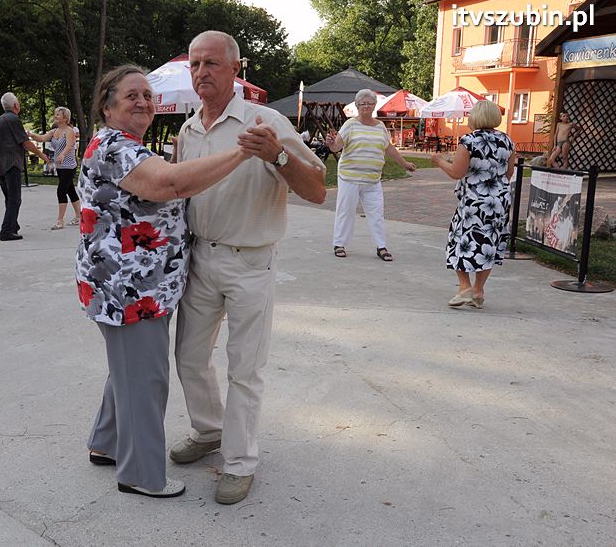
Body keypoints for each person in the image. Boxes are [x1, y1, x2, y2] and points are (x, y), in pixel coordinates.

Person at [77, 64, 263, 499]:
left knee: (127, 371)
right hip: (129, 291)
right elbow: (170, 184)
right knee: (145, 378)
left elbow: (160, 178)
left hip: (130, 288)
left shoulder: (127, 147)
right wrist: (241, 153)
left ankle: (105, 444)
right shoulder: (118, 147)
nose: (143, 101)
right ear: (107, 107)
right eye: (131, 96)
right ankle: (140, 473)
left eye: (147, 94)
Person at [170, 31, 327, 505]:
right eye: (195, 65)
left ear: (235, 68)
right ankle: (209, 430)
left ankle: (239, 463)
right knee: (190, 359)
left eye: (212, 64)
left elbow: (317, 189)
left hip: (250, 263)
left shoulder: (267, 120)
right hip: (200, 258)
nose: (201, 73)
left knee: (245, 369)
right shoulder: (188, 127)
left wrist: (276, 155)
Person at [432, 100, 516, 309]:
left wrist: (439, 161)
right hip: (498, 201)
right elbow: (509, 173)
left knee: (460, 240)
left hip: (474, 201)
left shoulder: (469, 141)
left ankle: (464, 287)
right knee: (489, 244)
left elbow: (456, 172)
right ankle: (478, 290)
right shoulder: (507, 141)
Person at [324, 89, 417, 261]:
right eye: (362, 103)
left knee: (377, 213)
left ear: (374, 105)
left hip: (373, 179)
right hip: (349, 177)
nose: (366, 106)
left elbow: (388, 148)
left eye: (369, 103)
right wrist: (331, 144)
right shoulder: (350, 125)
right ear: (357, 106)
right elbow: (337, 146)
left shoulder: (380, 126)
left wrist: (405, 163)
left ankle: (381, 246)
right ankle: (339, 244)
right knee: (346, 211)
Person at [0, 92, 49, 241]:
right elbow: (25, 142)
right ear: (16, 105)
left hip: (0, 164)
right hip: (11, 164)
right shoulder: (13, 119)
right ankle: (6, 231)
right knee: (15, 199)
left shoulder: (0, 119)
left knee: (8, 197)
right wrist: (41, 154)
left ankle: (13, 226)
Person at [28, 107, 81, 230]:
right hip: (60, 166)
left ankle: (60, 220)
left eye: (58, 114)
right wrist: (31, 135)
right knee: (70, 190)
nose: (55, 116)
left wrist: (62, 154)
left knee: (61, 190)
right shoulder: (54, 131)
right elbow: (42, 138)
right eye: (55, 114)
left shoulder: (69, 131)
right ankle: (79, 216)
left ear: (65, 118)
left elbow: (70, 145)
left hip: (69, 166)